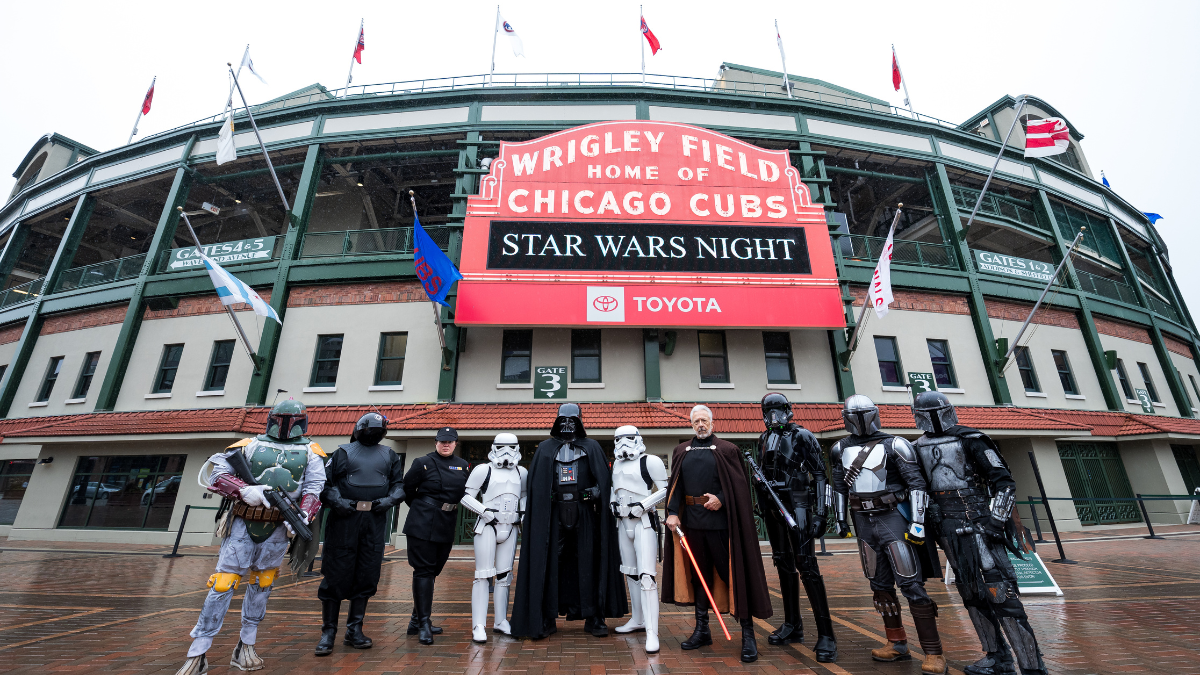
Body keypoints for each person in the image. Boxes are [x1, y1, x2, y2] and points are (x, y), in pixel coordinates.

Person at [175, 399, 325, 675]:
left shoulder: (312, 451)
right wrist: (244, 490)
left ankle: (246, 645)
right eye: (280, 417)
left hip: (279, 528)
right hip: (243, 524)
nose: (286, 424)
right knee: (223, 583)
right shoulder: (249, 445)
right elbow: (217, 473)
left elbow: (314, 488)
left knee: (263, 583)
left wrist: (303, 515)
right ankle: (198, 653)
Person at [911, 392, 1047, 675]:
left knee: (1001, 594)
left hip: (981, 525)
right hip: (948, 530)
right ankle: (997, 657)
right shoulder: (915, 447)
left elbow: (1004, 482)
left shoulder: (972, 439)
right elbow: (920, 488)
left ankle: (1032, 666)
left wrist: (995, 523)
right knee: (970, 592)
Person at [830, 395, 945, 674]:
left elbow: (915, 483)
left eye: (863, 414)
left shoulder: (895, 444)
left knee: (911, 584)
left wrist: (917, 521)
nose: (858, 420)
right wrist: (840, 519)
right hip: (863, 521)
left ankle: (933, 651)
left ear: (874, 414)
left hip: (892, 516)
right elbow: (839, 487)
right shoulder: (839, 448)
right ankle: (897, 643)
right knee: (879, 585)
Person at [663, 405, 773, 663]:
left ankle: (748, 634)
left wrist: (721, 499)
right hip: (692, 525)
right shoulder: (681, 451)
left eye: (704, 420)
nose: (700, 424)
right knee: (699, 579)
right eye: (696, 421)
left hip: (721, 527)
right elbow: (675, 486)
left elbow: (739, 489)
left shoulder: (727, 450)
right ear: (691, 424)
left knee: (732, 576)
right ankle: (702, 630)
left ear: (712, 422)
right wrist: (671, 512)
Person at [510, 403, 626, 639]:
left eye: (572, 420)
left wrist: (595, 491)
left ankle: (594, 616)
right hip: (552, 514)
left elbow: (604, 482)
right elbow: (537, 486)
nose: (567, 425)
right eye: (563, 419)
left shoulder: (591, 447)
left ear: (581, 421)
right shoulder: (544, 449)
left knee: (589, 561)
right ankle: (546, 617)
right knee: (550, 562)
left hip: (585, 514)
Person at [752, 393, 837, 662]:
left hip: (799, 502)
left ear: (788, 410)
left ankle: (826, 635)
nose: (773, 415)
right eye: (769, 410)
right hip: (773, 505)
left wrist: (822, 514)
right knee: (782, 563)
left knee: (807, 566)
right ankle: (792, 624)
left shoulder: (803, 436)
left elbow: (821, 475)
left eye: (778, 409)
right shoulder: (764, 438)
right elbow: (763, 473)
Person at [315, 412, 405, 656]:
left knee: (367, 573)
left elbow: (399, 485)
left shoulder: (389, 455)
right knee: (336, 573)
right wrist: (336, 501)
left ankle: (354, 629)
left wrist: (389, 500)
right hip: (345, 519)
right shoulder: (343, 452)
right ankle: (328, 632)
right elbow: (324, 484)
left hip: (374, 521)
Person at [402, 426, 469, 645]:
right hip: (422, 523)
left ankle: (415, 620)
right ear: (435, 442)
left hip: (446, 523)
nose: (445, 444)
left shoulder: (462, 465)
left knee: (433, 572)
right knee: (423, 571)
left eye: (450, 441)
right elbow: (408, 490)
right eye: (442, 441)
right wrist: (425, 508)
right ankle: (423, 624)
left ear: (456, 443)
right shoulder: (422, 462)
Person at [460, 433, 528, 643]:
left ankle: (500, 621)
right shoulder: (484, 470)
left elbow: (524, 496)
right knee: (483, 575)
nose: (506, 452)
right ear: (494, 447)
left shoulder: (521, 471)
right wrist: (484, 511)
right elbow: (465, 496)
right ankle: (479, 625)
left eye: (511, 447)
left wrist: (523, 514)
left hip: (511, 526)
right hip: (488, 525)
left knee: (504, 576)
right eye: (502, 447)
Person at [609, 425, 669, 654]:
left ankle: (652, 632)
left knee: (646, 576)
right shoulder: (616, 464)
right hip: (623, 524)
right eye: (619, 439)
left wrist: (643, 505)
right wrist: (612, 505)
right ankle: (637, 619)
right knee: (631, 573)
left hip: (644, 522)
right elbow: (614, 490)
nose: (624, 443)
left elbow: (666, 489)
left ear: (637, 439)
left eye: (628, 438)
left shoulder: (650, 461)